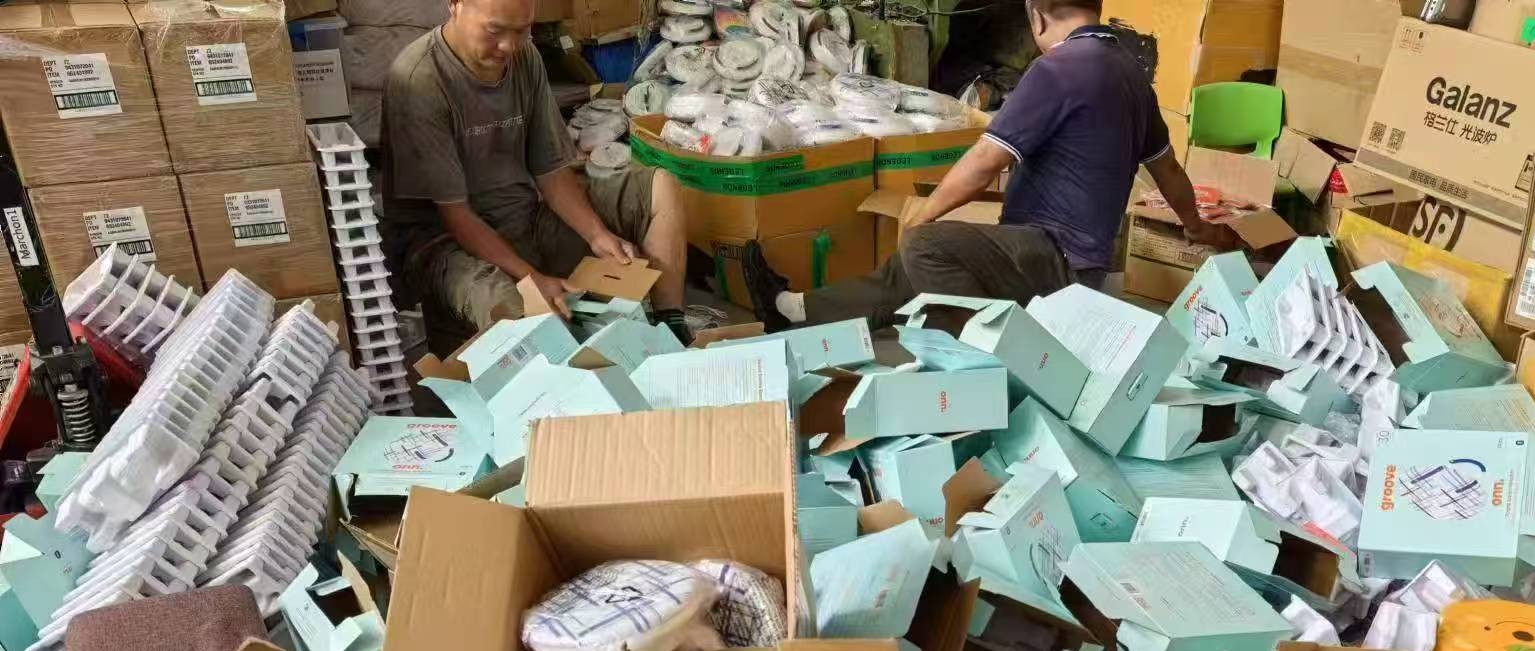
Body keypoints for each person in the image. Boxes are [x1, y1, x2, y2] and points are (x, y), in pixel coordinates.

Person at [739, 0, 1235, 330]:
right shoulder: (1132, 76)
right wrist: (1196, 227)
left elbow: (984, 161)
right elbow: (1169, 171)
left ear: (1037, 17)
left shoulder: (1058, 69)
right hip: (1080, 263)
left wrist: (924, 212)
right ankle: (794, 311)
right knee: (909, 268)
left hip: (1054, 259)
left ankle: (993, 357)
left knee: (927, 247)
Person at [380, 0, 694, 343]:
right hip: (448, 243)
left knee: (660, 187)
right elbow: (456, 215)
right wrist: (532, 279)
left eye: (522, 30)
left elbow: (551, 172)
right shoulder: (419, 79)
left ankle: (671, 332)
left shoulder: (525, 57)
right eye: (494, 30)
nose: (509, 46)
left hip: (525, 218)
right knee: (520, 315)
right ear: (454, 5)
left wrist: (597, 235)